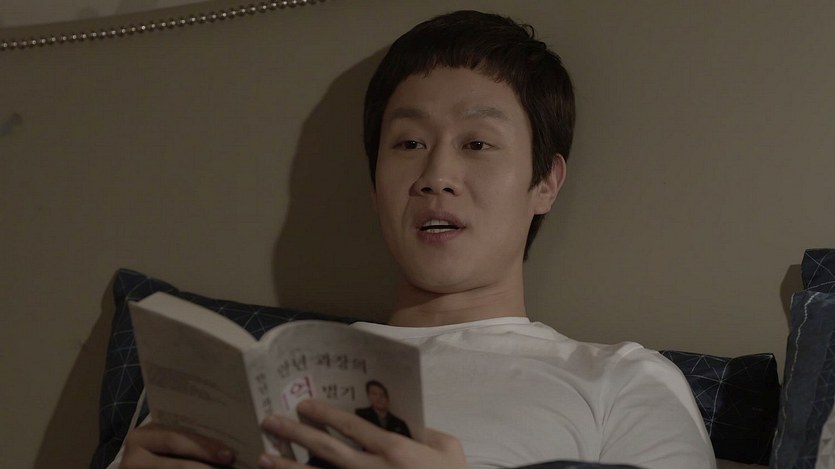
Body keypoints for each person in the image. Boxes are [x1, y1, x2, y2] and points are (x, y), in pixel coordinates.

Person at [112, 10, 716, 469]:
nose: (436, 176)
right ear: (375, 187)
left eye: (477, 144)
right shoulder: (252, 379)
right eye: (408, 144)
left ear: (545, 183)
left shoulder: (619, 381)